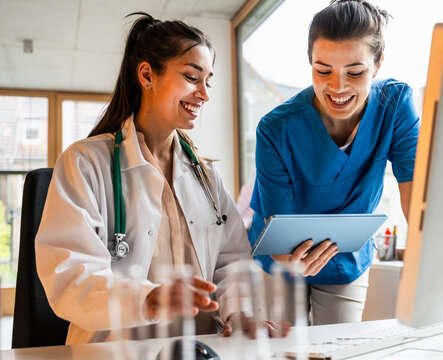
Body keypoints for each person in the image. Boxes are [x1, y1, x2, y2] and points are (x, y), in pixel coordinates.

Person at [35, 13, 253, 345]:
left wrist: (238, 314)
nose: (204, 94)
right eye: (192, 77)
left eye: (207, 81)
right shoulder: (85, 163)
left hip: (201, 349)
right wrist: (147, 299)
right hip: (114, 350)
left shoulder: (207, 176)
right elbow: (71, 274)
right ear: (147, 74)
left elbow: (232, 262)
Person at [248, 0, 420, 325]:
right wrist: (286, 259)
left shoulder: (396, 106)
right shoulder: (276, 128)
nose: (337, 87)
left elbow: (416, 202)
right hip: (280, 261)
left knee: (339, 347)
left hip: (345, 260)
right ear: (309, 61)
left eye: (355, 72)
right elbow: (277, 227)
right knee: (285, 350)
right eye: (322, 70)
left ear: (379, 64)